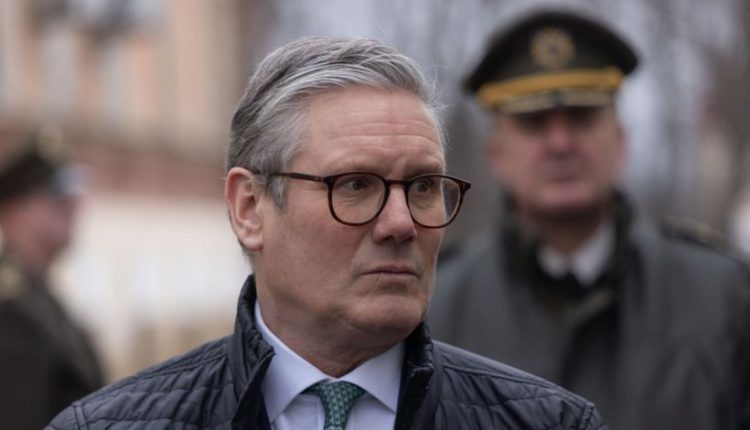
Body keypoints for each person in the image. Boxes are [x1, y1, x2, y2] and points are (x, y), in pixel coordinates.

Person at [48, 36, 607, 429]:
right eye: (356, 185)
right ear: (250, 208)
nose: (401, 223)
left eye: (422, 186)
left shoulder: (550, 423)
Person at [427, 8, 750, 430]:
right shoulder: (437, 306)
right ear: (497, 154)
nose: (561, 143)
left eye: (582, 117)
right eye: (533, 122)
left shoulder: (720, 298)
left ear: (621, 139)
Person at [0, 127, 104, 429]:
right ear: (14, 212)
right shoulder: (11, 311)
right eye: (57, 198)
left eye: (72, 198)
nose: (73, 207)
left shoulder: (39, 294)